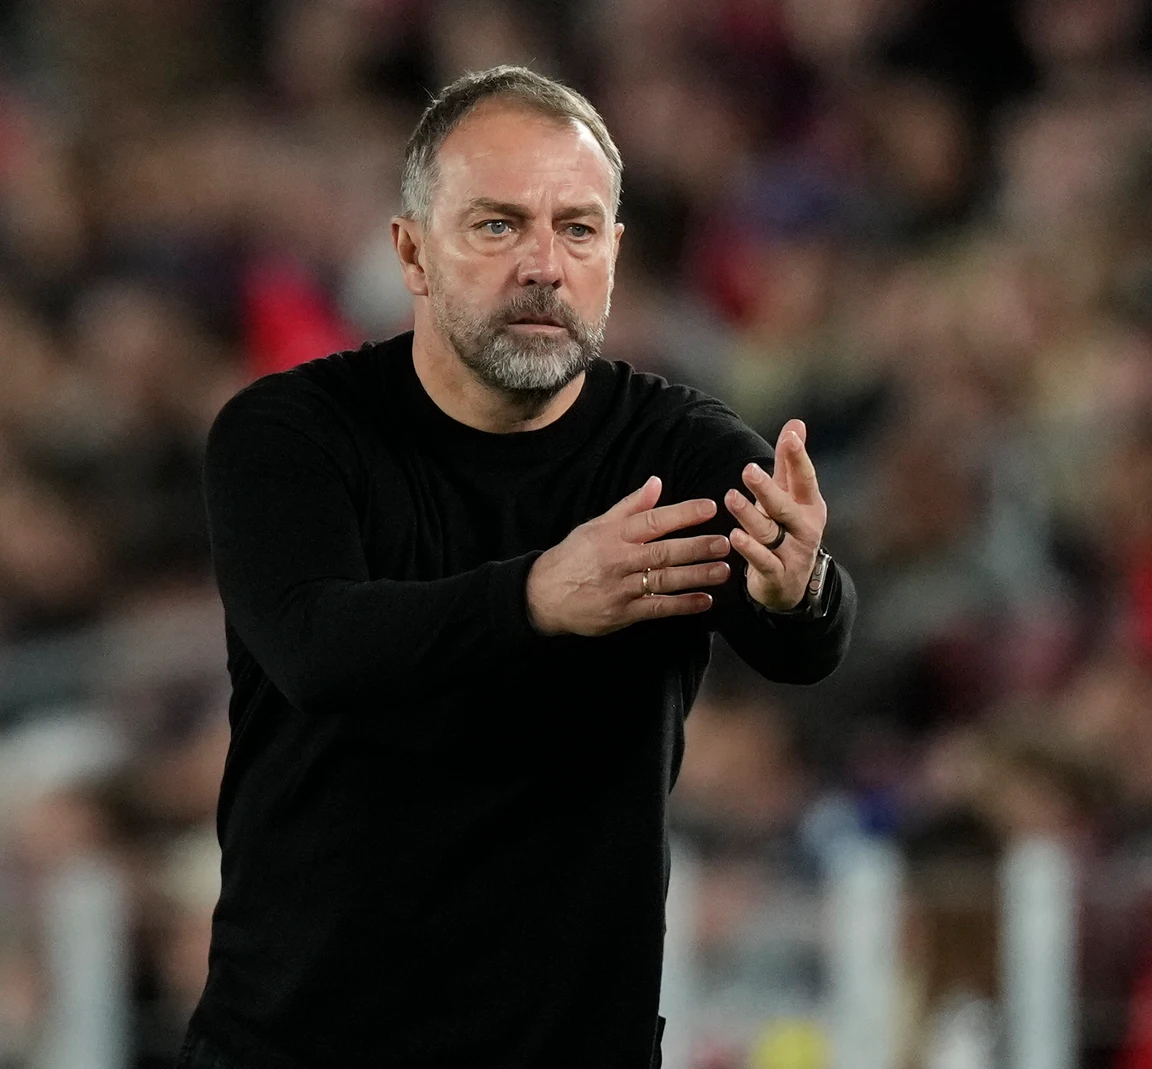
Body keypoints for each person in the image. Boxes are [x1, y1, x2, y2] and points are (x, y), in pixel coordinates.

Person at [177, 66, 855, 1069]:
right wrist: (538, 596)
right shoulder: (291, 435)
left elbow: (800, 644)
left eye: (577, 230)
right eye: (498, 226)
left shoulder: (679, 449)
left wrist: (800, 588)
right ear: (410, 249)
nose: (544, 264)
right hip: (299, 1047)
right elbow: (317, 647)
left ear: (615, 256)